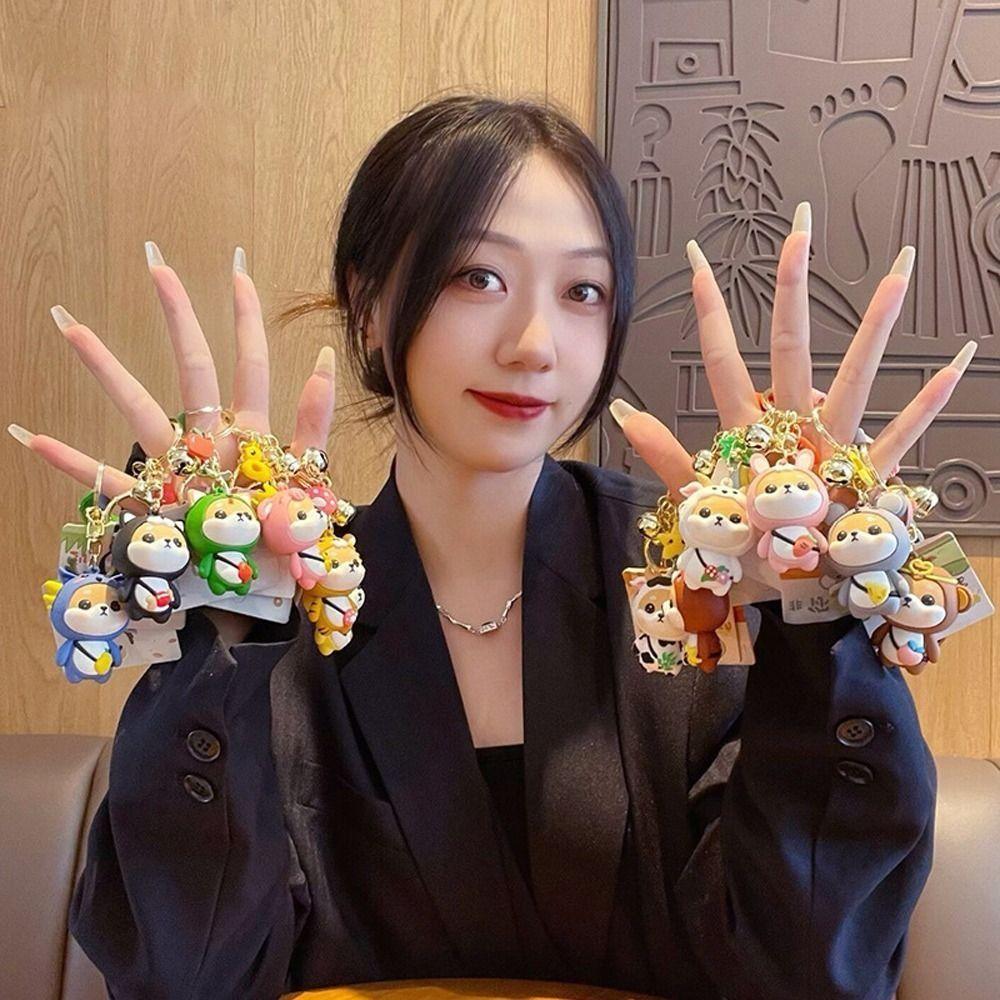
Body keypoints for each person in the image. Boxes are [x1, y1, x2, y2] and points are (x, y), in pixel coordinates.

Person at [12, 95, 973, 1000]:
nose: (534, 343)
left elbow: (809, 971)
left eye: (584, 290)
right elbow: (186, 979)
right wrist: (224, 624)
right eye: (479, 277)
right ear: (369, 303)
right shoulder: (290, 591)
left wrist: (813, 616)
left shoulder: (706, 584)